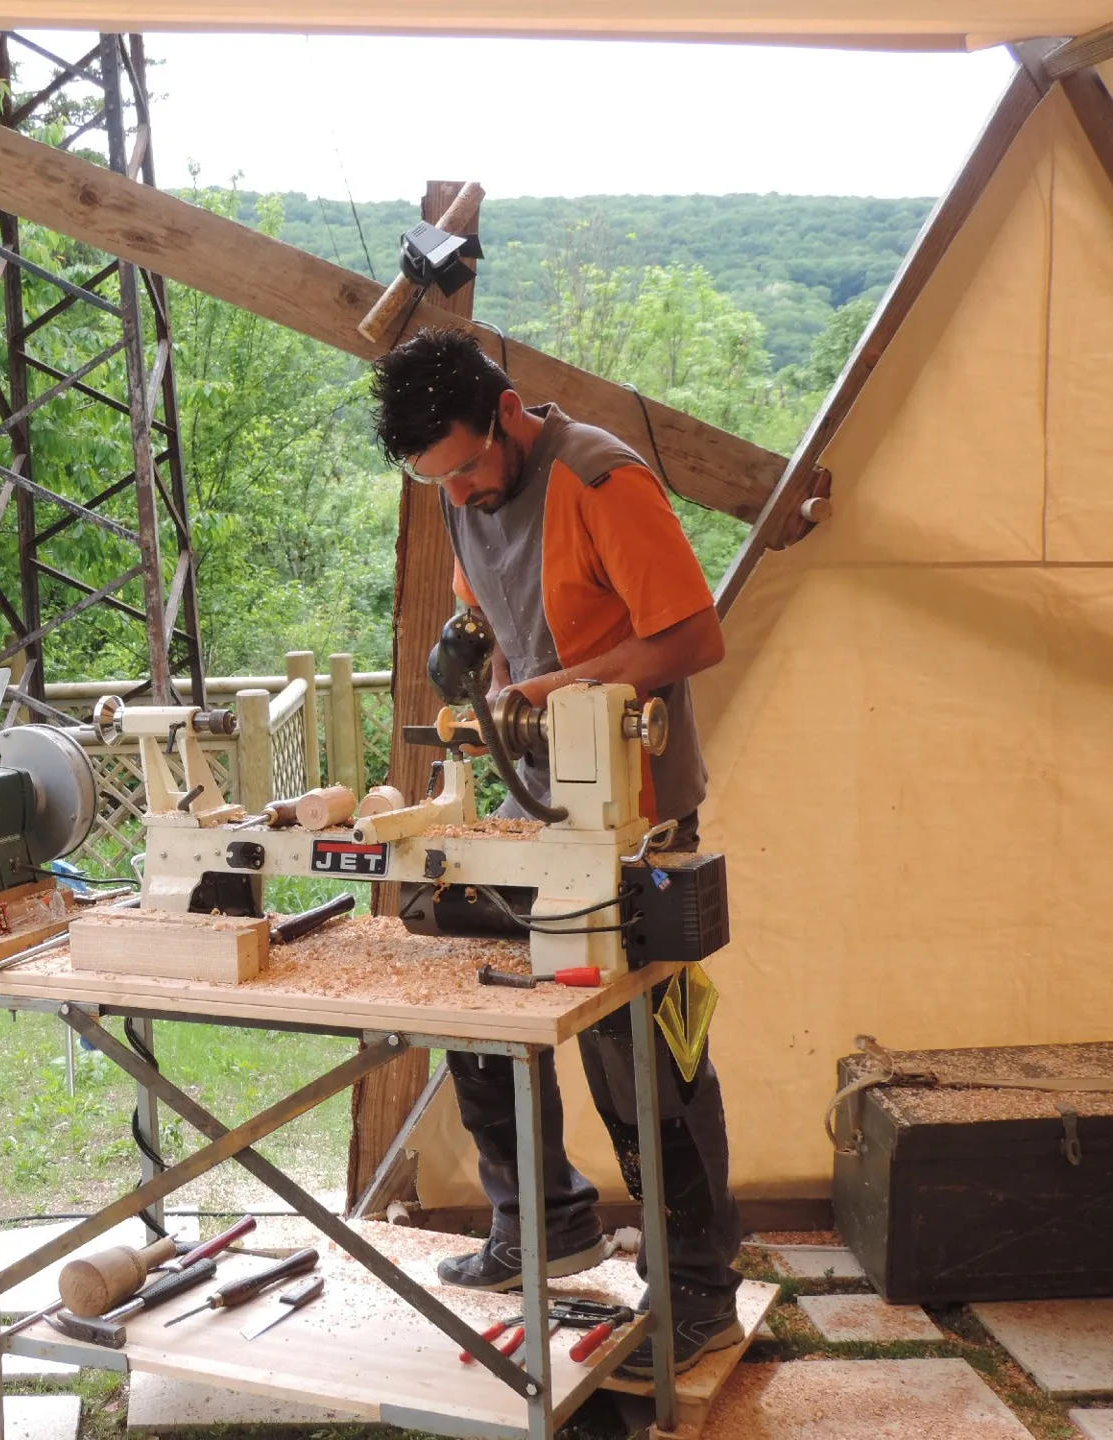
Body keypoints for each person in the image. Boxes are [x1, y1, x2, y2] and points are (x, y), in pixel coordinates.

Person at [371, 328, 743, 1377]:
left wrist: (556, 684)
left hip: (641, 821)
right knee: (452, 945)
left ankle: (700, 1290)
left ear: (506, 412)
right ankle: (542, 1220)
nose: (462, 491)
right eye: (436, 479)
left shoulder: (600, 479)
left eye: (467, 466)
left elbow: (693, 637)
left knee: (642, 1059)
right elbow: (487, 602)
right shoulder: (463, 488)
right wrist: (471, 641)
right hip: (540, 811)